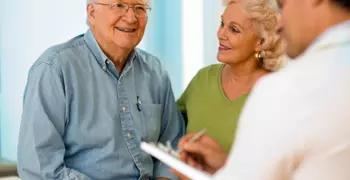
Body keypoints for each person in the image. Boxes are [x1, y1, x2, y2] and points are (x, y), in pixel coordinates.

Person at [177, 0, 350, 179]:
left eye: (283, 6)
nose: (280, 25)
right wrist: (228, 168)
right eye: (222, 24)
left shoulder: (286, 90)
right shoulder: (204, 79)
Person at [17, 0, 185, 179]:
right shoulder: (54, 69)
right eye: (119, 5)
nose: (131, 17)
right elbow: (39, 167)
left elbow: (172, 146)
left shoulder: (155, 71)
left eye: (139, 8)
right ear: (92, 13)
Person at [177, 0, 285, 152]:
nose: (220, 34)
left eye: (234, 30)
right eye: (222, 24)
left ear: (261, 42)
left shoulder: (276, 92)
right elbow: (168, 129)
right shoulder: (203, 79)